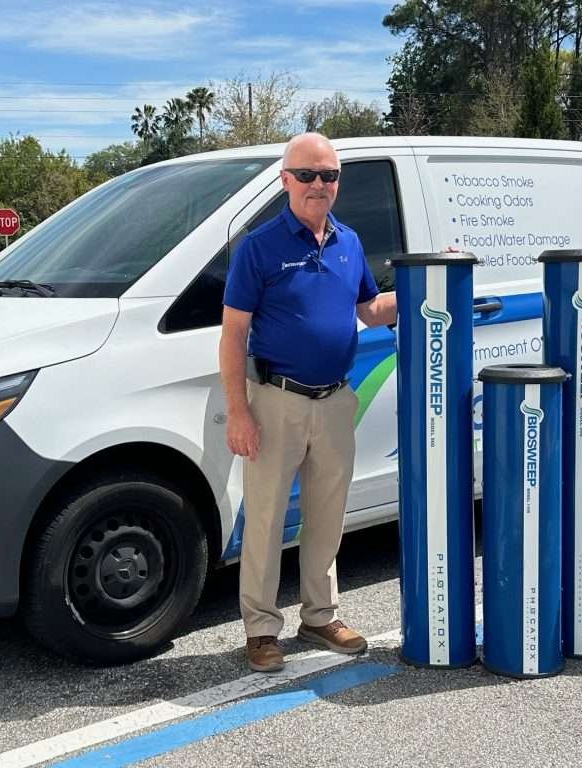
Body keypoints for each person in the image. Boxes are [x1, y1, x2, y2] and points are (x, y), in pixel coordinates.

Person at [220, 132, 397, 672]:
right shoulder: (259, 247)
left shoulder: (349, 241)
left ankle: (320, 616)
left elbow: (370, 310)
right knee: (268, 519)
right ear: (285, 180)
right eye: (307, 175)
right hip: (276, 401)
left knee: (328, 515)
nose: (318, 185)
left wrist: (428, 280)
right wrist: (239, 411)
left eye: (329, 175)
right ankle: (261, 629)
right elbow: (232, 336)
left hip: (337, 399)